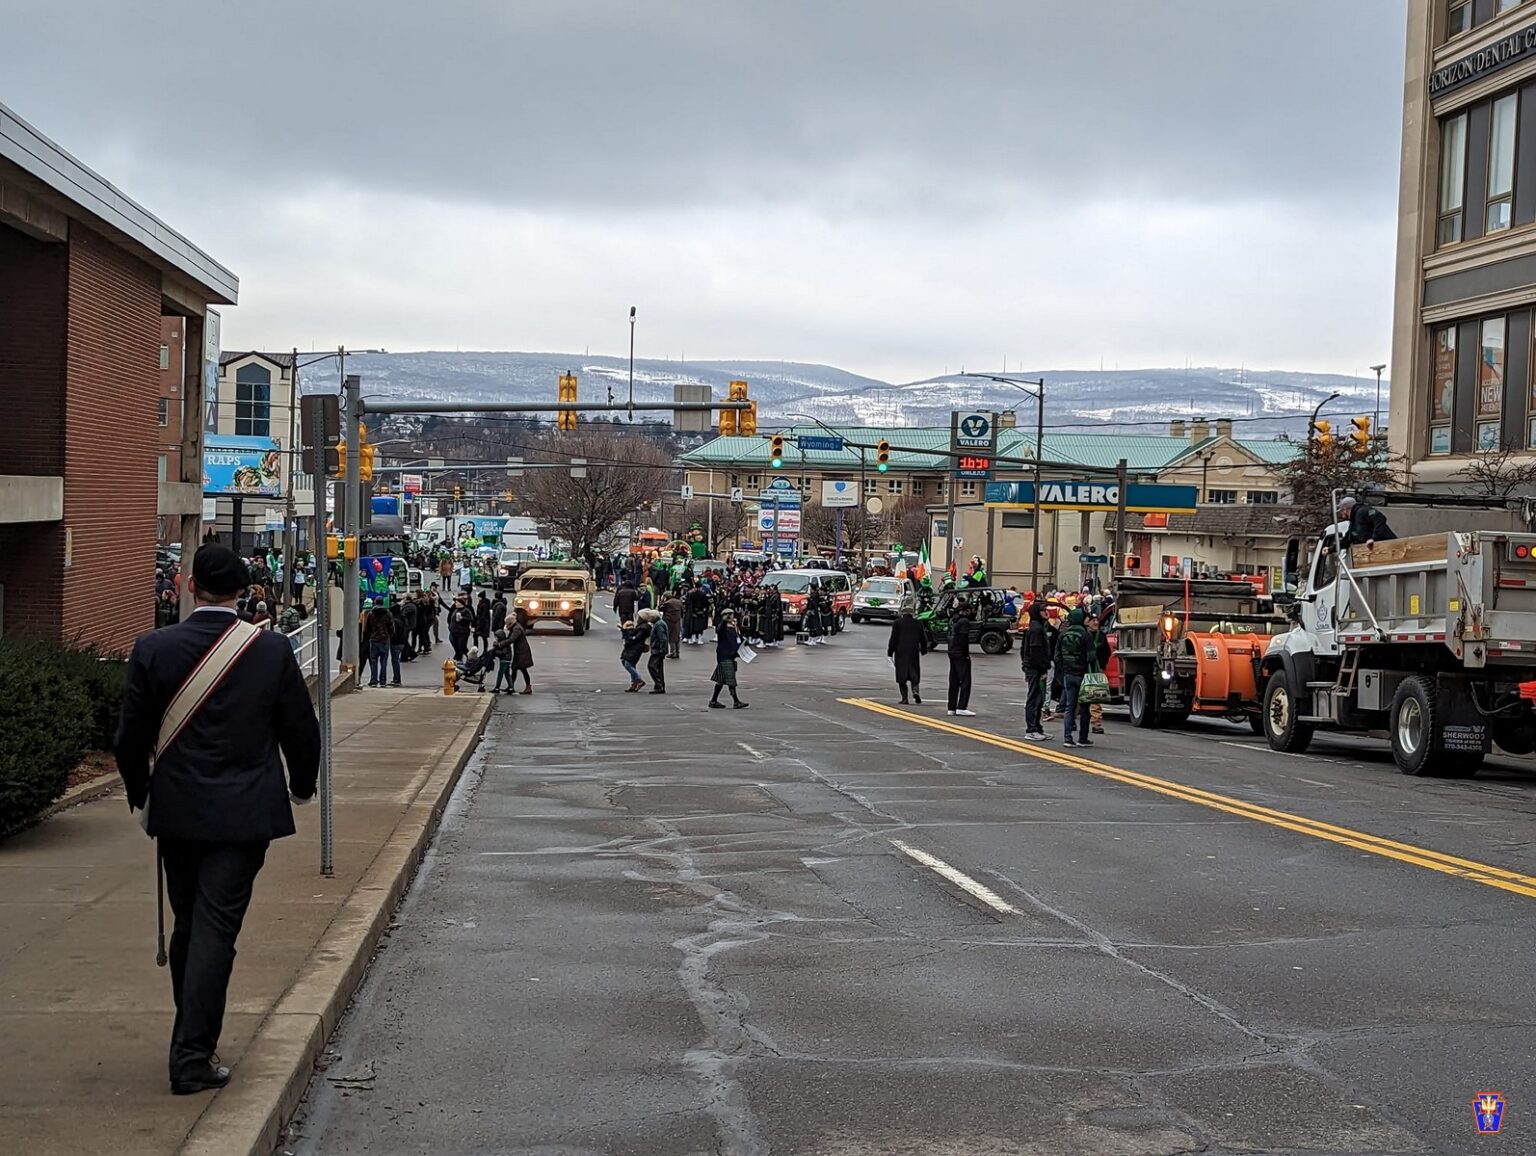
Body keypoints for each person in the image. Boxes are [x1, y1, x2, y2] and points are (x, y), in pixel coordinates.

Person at [114, 544, 320, 1096]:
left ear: (189, 585)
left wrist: (141, 797)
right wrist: (302, 788)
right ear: (245, 591)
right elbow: (302, 731)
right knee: (215, 928)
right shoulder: (272, 651)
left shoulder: (153, 648)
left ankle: (194, 1036)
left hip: (177, 812)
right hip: (246, 813)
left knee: (191, 923)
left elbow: (129, 739)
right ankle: (191, 1055)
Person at [1054, 607, 1101, 748]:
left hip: (1068, 674)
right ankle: (1082, 738)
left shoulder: (1063, 634)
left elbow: (1057, 656)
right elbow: (1092, 656)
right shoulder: (1085, 635)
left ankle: (1068, 738)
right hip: (1083, 674)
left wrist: (1062, 670)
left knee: (1069, 707)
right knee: (1085, 707)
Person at [1020, 601, 1054, 741]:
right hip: (1035, 669)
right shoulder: (1036, 629)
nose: (1046, 612)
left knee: (1039, 699)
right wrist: (1042, 668)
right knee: (1034, 698)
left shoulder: (1038, 627)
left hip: (1035, 668)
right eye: (1043, 610)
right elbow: (1035, 651)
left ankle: (1038, 727)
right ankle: (1031, 729)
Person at [888, 608, 928, 705]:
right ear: (912, 614)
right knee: (914, 672)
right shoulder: (918, 623)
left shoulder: (897, 623)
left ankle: (904, 698)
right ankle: (915, 691)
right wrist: (923, 650)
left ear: (902, 614)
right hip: (913, 650)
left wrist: (890, 652)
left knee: (901, 675)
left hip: (900, 651)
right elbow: (923, 638)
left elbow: (893, 638)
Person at [709, 610, 748, 709]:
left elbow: (737, 639)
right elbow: (720, 629)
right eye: (730, 615)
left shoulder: (733, 627)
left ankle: (713, 701)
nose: (732, 617)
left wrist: (744, 642)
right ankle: (736, 701)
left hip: (731, 655)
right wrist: (723, 621)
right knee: (731, 680)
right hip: (724, 655)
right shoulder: (723, 628)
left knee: (721, 680)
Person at [947, 604, 975, 717]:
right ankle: (962, 706)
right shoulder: (964, 622)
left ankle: (951, 707)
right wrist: (966, 654)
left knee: (953, 680)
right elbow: (963, 639)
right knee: (965, 680)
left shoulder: (954, 620)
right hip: (960, 653)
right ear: (965, 611)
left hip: (952, 651)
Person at [365, 600, 393, 687]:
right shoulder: (388, 614)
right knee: (383, 662)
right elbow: (391, 627)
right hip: (384, 640)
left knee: (373, 661)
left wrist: (369, 636)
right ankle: (383, 681)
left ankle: (373, 680)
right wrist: (389, 635)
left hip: (374, 640)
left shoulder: (371, 614)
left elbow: (367, 628)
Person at [641, 608, 669, 693]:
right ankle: (660, 686)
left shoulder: (658, 625)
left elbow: (662, 638)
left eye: (649, 617)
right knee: (658, 668)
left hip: (657, 650)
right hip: (658, 649)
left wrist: (662, 649)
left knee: (652, 666)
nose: (648, 618)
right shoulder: (659, 623)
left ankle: (659, 684)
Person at [509, 608, 534, 693]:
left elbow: (512, 639)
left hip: (521, 652)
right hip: (520, 651)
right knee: (515, 669)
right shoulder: (516, 626)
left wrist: (501, 644)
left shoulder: (516, 629)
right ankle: (511, 686)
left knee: (522, 669)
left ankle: (527, 686)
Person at [620, 619, 647, 691]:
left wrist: (624, 631)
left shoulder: (630, 632)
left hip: (632, 651)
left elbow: (629, 641)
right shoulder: (637, 630)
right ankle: (634, 683)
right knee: (632, 665)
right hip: (634, 651)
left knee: (628, 664)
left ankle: (638, 680)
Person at [447, 593, 474, 662]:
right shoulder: (455, 609)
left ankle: (469, 658)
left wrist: (462, 618)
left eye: (457, 602)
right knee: (453, 642)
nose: (455, 603)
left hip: (462, 632)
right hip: (453, 631)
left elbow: (470, 619)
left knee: (462, 646)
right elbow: (450, 617)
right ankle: (459, 656)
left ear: (460, 603)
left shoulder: (466, 610)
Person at [661, 590, 685, 659]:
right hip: (677, 620)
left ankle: (672, 652)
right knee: (676, 636)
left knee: (670, 636)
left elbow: (660, 608)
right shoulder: (678, 601)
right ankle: (677, 651)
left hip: (669, 620)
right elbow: (682, 610)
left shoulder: (667, 603)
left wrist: (662, 601)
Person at [491, 628, 514, 694]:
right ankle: (511, 687)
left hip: (504, 660)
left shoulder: (504, 644)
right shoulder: (503, 643)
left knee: (500, 674)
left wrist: (495, 651)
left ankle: (497, 687)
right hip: (507, 660)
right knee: (507, 674)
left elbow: (503, 653)